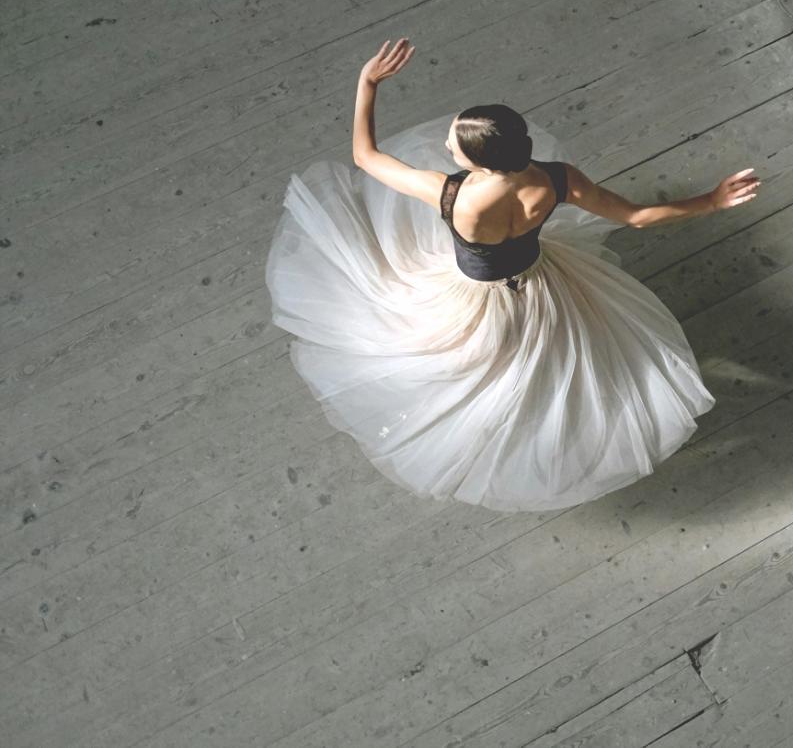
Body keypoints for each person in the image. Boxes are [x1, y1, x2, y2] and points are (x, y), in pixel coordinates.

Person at [265, 39, 760, 510]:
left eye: (454, 143)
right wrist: (711, 201)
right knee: (560, 355)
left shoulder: (453, 196)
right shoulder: (557, 180)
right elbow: (636, 217)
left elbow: (365, 156)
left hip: (477, 296)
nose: (446, 142)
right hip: (544, 281)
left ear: (479, 162)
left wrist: (367, 83)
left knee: (468, 363)